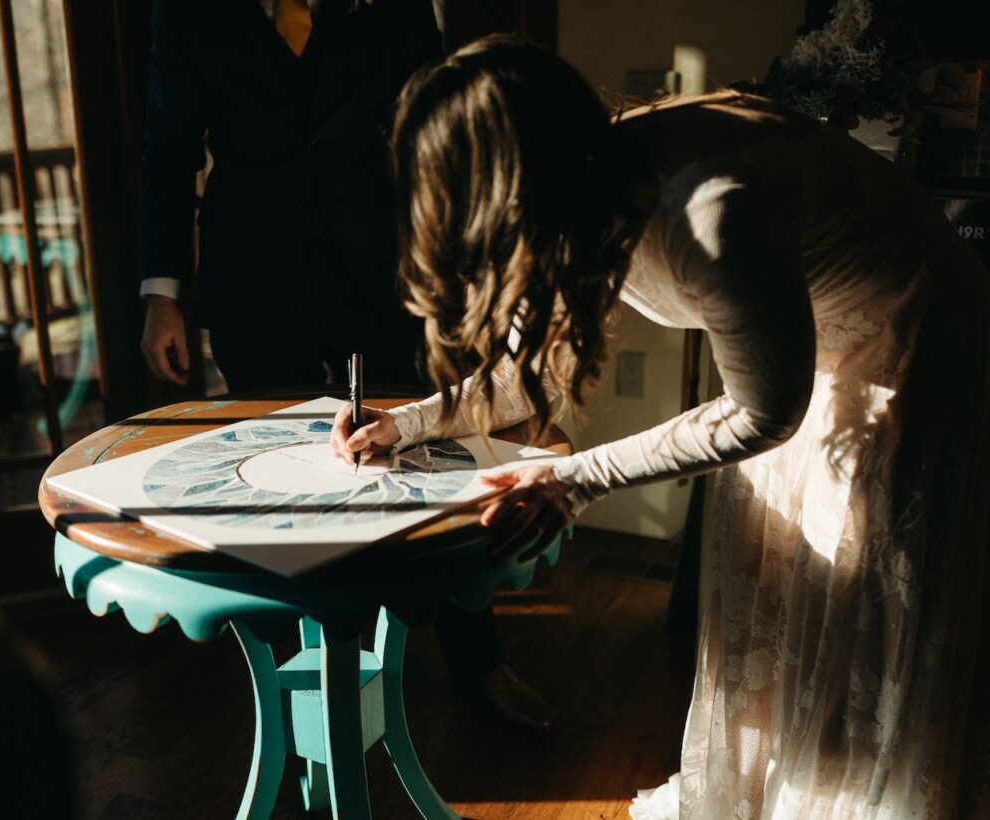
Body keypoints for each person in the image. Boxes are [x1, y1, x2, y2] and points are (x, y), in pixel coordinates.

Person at [331, 37, 990, 819]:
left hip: (913, 358)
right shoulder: (590, 178)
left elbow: (762, 411)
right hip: (806, 359)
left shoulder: (710, 210)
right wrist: (404, 423)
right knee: (782, 613)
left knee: (864, 630)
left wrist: (573, 481)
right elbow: (527, 367)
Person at [136, 1, 551, 734]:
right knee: (271, 485)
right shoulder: (184, 11)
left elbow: (434, 135)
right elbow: (168, 150)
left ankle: (477, 659)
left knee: (430, 456)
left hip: (384, 276)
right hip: (254, 280)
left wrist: (453, 274)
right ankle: (301, 699)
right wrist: (161, 297)